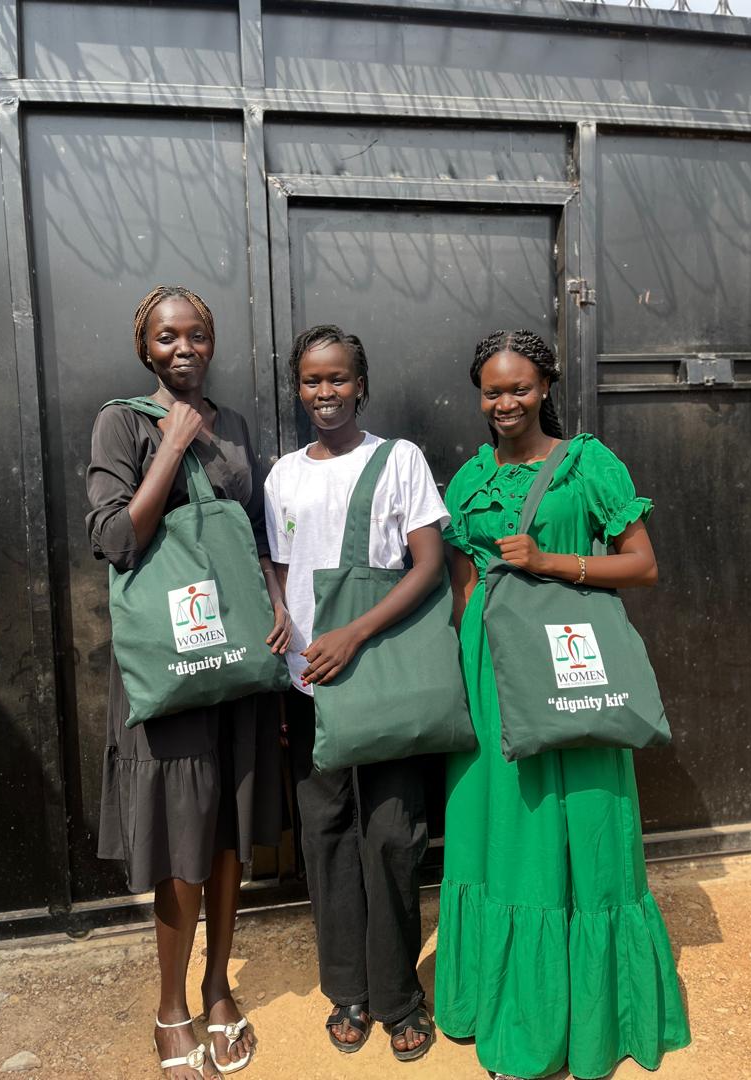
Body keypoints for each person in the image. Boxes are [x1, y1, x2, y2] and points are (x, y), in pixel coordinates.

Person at [434, 329, 691, 1080]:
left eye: (519, 387)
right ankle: (509, 1007)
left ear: (545, 386)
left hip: (571, 671)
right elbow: (462, 586)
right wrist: (467, 670)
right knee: (503, 833)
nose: (505, 402)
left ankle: (584, 1021)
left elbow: (642, 566)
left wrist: (552, 562)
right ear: (478, 394)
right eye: (492, 390)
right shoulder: (469, 479)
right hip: (492, 681)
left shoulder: (587, 465)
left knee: (578, 821)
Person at [86, 286, 291, 1079]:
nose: (184, 348)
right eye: (167, 337)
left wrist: (276, 604)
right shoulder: (121, 421)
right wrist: (169, 447)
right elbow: (112, 538)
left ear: (212, 343)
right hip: (167, 663)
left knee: (231, 824)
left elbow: (254, 532)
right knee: (180, 830)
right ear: (146, 348)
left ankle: (216, 991)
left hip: (236, 655)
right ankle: (170, 1002)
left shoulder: (235, 424)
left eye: (197, 335)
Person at [264, 325, 448, 1061]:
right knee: (328, 836)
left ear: (361, 383)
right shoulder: (282, 474)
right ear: (297, 387)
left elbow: (427, 563)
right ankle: (349, 990)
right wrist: (281, 611)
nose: (325, 392)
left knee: (394, 835)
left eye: (338, 378)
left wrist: (354, 633)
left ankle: (400, 994)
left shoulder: (398, 460)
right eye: (311, 380)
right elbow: (280, 564)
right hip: (310, 686)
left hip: (386, 676)